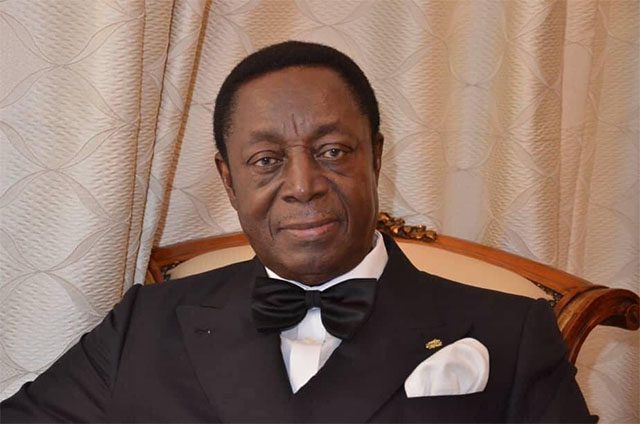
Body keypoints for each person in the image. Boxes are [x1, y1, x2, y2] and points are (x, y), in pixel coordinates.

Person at [1, 41, 595, 423]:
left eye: (332, 151)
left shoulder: (511, 333)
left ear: (375, 158)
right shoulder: (143, 323)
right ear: (229, 181)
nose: (303, 185)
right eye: (266, 161)